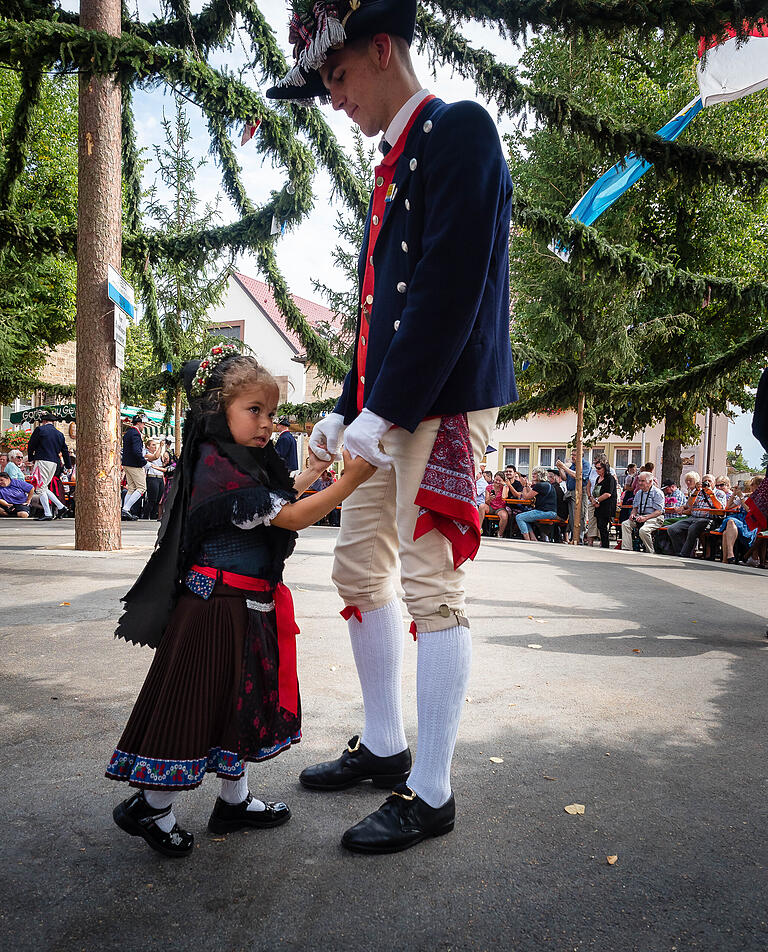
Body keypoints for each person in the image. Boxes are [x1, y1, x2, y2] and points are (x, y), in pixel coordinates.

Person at [267, 0, 516, 855]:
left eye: (336, 76)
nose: (333, 97)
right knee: (355, 566)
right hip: (390, 403)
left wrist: (386, 408)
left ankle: (434, 790)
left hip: (441, 400)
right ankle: (384, 744)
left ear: (381, 51)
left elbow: (447, 291)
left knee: (430, 582)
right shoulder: (395, 159)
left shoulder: (462, 131)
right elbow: (380, 318)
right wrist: (346, 407)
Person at [107, 344, 375, 858]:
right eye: (254, 411)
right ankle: (150, 806)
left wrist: (316, 473)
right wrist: (353, 477)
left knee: (239, 701)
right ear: (216, 411)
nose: (266, 424)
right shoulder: (216, 467)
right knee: (198, 705)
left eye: (270, 413)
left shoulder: (241, 462)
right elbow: (289, 517)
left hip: (244, 604)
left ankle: (234, 799)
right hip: (215, 610)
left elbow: (278, 503)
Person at [666, 474, 727, 558]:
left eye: (709, 481)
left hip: (708, 519)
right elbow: (689, 504)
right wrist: (696, 491)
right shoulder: (698, 492)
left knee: (693, 528)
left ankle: (684, 553)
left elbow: (720, 508)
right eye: (705, 481)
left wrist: (711, 494)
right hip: (693, 517)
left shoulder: (719, 493)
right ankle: (679, 551)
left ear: (714, 483)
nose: (707, 483)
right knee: (672, 529)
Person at [26, 412, 72, 521]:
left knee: (39, 487)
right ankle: (61, 507)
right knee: (44, 487)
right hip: (55, 462)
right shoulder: (59, 434)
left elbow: (31, 445)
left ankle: (47, 513)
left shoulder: (40, 430)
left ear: (44, 421)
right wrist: (68, 465)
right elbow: (65, 451)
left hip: (42, 460)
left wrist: (31, 458)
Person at [621, 471, 665, 553]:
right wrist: (633, 514)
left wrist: (645, 518)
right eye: (639, 481)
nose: (640, 483)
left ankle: (650, 551)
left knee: (643, 530)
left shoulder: (657, 493)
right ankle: (627, 549)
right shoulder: (639, 493)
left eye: (643, 481)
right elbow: (635, 508)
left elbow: (659, 511)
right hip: (640, 516)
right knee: (625, 524)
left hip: (654, 517)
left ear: (650, 482)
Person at [555, 451, 591, 544]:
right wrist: (560, 469)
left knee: (580, 515)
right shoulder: (572, 466)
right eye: (572, 455)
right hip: (571, 492)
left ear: (580, 455)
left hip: (580, 492)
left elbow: (577, 475)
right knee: (572, 516)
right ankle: (573, 538)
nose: (573, 457)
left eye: (575, 455)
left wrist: (564, 467)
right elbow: (564, 478)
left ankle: (579, 538)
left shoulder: (585, 464)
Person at [516, 467, 558, 541]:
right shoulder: (547, 485)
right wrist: (527, 487)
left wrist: (524, 485)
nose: (532, 475)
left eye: (534, 474)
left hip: (545, 512)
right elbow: (531, 493)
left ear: (539, 475)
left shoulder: (540, 485)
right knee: (524, 518)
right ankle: (533, 538)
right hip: (551, 512)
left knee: (519, 517)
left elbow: (526, 497)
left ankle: (527, 540)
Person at [121, 414, 147, 521]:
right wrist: (144, 462)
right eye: (143, 423)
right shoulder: (136, 434)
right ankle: (126, 509)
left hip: (127, 464)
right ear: (139, 423)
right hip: (135, 465)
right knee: (142, 488)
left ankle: (124, 510)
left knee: (131, 488)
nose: (144, 426)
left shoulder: (128, 433)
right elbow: (137, 452)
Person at [590, 458, 618, 549]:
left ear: (605, 468)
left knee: (603, 525)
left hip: (607, 505)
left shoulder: (610, 478)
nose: (597, 470)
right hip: (598, 504)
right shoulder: (598, 478)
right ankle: (603, 544)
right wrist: (593, 500)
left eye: (599, 468)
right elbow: (595, 490)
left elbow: (608, 493)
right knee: (599, 525)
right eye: (596, 468)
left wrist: (597, 500)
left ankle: (605, 545)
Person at [479, 472, 510, 537]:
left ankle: (500, 534)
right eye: (496, 480)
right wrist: (490, 499)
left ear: (503, 481)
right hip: (491, 507)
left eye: (499, 480)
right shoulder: (489, 487)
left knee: (504, 516)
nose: (497, 482)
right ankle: (479, 528)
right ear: (494, 479)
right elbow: (486, 502)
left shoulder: (505, 487)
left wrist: (504, 485)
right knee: (481, 506)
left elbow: (504, 497)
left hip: (500, 508)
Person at [143, 438, 166, 520]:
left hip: (160, 478)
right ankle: (145, 516)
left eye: (155, 445)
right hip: (152, 477)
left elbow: (163, 464)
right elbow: (155, 457)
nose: (155, 447)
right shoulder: (146, 455)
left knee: (159, 500)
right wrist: (160, 446)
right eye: (153, 445)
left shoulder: (159, 454)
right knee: (152, 499)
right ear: (148, 446)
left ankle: (153, 517)